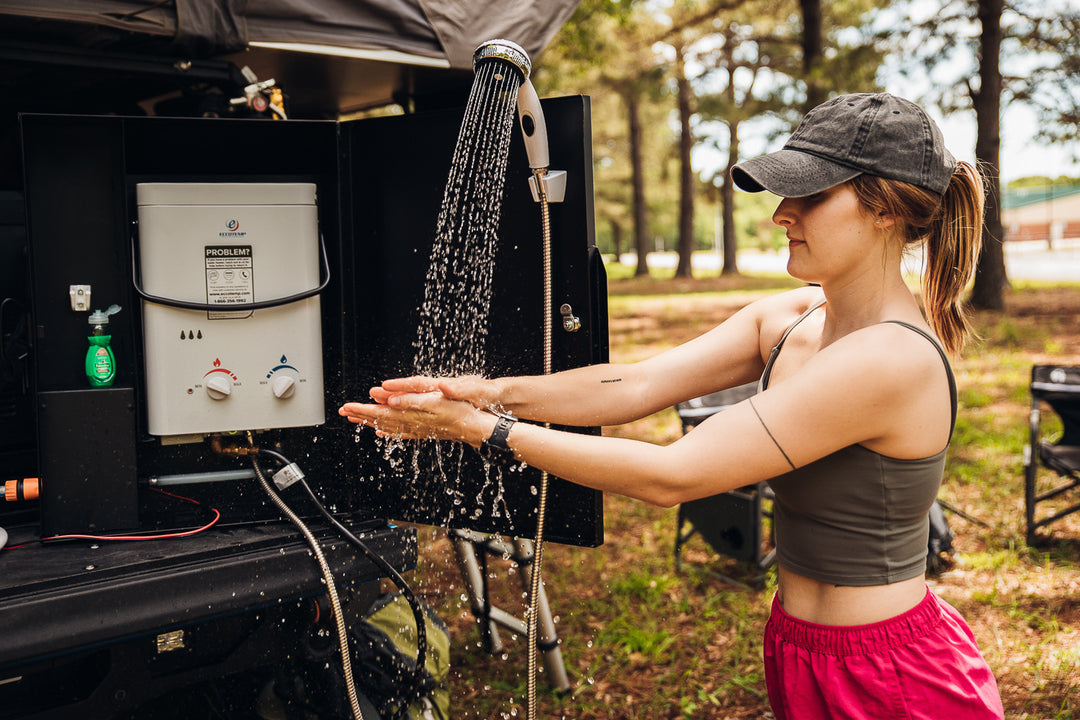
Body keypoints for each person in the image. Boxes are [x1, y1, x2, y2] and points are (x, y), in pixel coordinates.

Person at [339, 92, 1005, 719]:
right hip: (800, 645)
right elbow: (634, 385)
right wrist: (485, 391)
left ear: (885, 208)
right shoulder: (795, 317)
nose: (782, 214)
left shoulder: (890, 359)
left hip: (891, 671)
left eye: (810, 194)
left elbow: (674, 475)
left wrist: (481, 429)